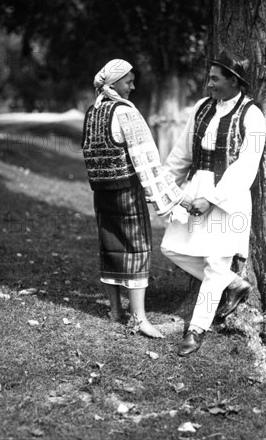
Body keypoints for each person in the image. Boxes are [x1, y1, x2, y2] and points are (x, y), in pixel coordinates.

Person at [160, 50, 266, 355]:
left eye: (215, 79)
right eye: (209, 77)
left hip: (228, 197)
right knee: (170, 247)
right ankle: (234, 284)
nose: (209, 84)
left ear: (234, 81)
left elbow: (247, 165)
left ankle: (196, 328)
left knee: (216, 263)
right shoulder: (202, 108)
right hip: (196, 189)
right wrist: (166, 188)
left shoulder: (252, 115)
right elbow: (181, 153)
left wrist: (212, 198)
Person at [82, 59, 192, 338]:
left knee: (110, 248)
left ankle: (116, 311)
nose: (133, 85)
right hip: (127, 192)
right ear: (114, 83)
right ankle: (139, 318)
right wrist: (173, 198)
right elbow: (147, 159)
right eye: (129, 80)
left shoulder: (92, 112)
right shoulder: (124, 112)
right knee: (137, 249)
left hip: (102, 193)